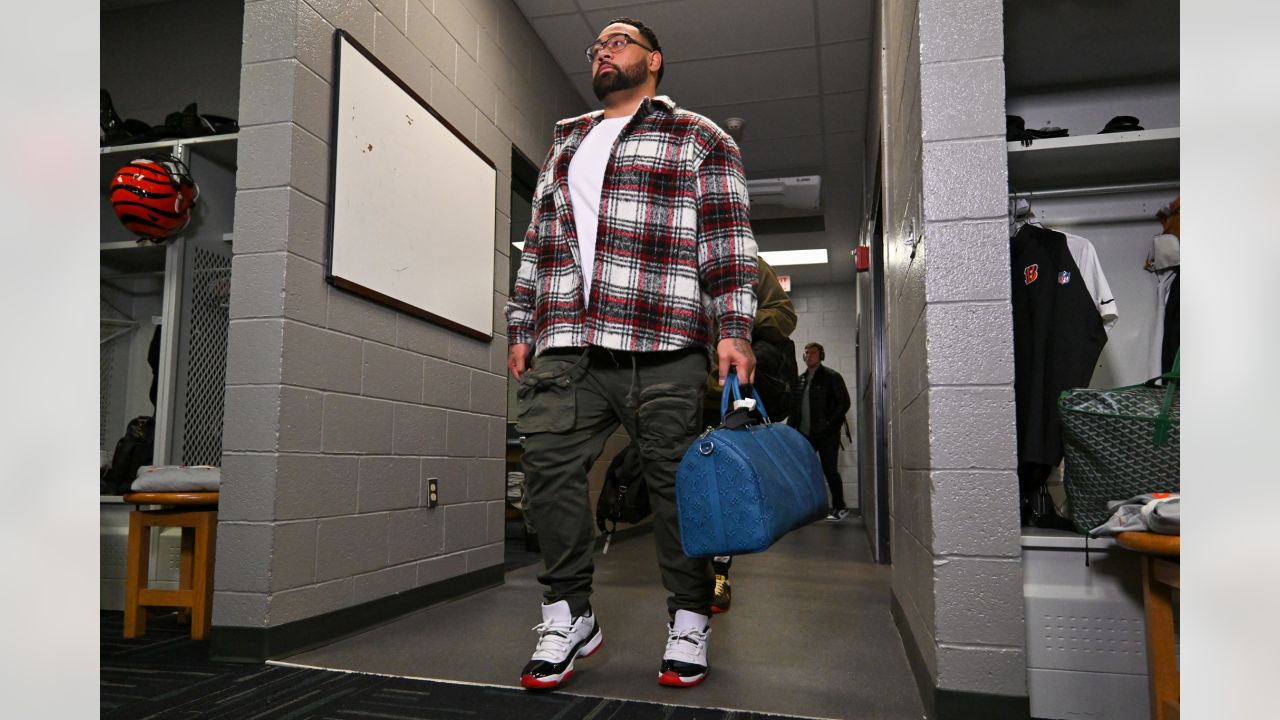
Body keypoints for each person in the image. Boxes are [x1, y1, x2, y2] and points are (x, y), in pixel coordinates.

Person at [505, 17, 758, 691]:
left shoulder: (699, 138)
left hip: (660, 341)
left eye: (617, 41)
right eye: (596, 46)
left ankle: (689, 616)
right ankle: (568, 612)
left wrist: (734, 328)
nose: (602, 50)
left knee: (677, 489)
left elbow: (728, 244)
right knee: (549, 473)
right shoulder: (565, 145)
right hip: (567, 341)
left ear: (654, 60)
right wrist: (521, 325)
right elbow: (539, 246)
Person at [700, 258, 797, 613]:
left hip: (730, 397)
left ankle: (719, 574)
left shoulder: (746, 262)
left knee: (722, 489)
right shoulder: (662, 252)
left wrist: (736, 319)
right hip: (679, 393)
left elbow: (785, 315)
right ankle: (689, 575)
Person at [789, 342, 852, 521]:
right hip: (804, 435)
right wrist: (790, 431)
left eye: (813, 353)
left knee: (830, 470)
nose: (809, 356)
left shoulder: (832, 377)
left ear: (821, 355)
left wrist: (830, 423)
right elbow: (794, 409)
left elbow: (844, 403)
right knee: (802, 471)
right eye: (806, 353)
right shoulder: (799, 380)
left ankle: (841, 507)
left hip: (826, 434)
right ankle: (804, 509)